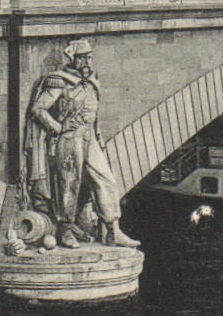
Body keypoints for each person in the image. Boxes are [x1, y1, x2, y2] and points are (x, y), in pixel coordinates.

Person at [25, 40, 140, 249]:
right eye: (82, 57)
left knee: (105, 179)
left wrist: (98, 136)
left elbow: (95, 115)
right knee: (69, 184)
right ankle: (66, 229)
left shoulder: (92, 82)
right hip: (69, 139)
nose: (87, 61)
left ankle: (112, 230)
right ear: (73, 59)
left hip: (90, 138)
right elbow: (38, 109)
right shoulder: (59, 82)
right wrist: (57, 128)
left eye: (89, 57)